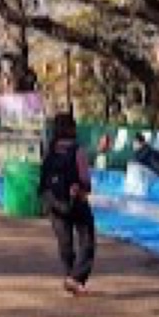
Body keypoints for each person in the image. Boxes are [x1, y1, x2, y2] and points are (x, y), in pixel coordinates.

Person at [38, 113, 96, 296]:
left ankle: (70, 276)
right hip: (76, 201)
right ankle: (76, 278)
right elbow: (85, 180)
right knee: (87, 241)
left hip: (54, 204)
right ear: (73, 129)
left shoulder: (49, 151)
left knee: (65, 244)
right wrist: (83, 190)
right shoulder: (78, 151)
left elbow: (43, 180)